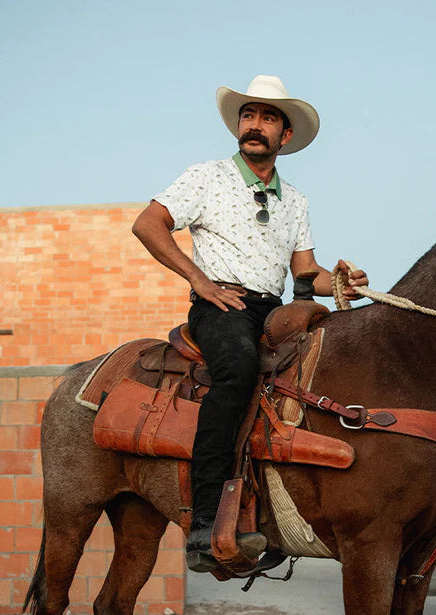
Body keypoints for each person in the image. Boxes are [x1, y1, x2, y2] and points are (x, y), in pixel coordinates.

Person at [132, 75, 368, 573]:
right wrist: (199, 280)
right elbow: (147, 224)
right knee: (237, 371)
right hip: (222, 305)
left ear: (285, 137)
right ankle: (204, 520)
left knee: (322, 367)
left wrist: (345, 284)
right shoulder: (206, 177)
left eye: (267, 118)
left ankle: (283, 510)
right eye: (249, 116)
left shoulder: (296, 200)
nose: (254, 125)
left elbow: (305, 273)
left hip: (273, 308)